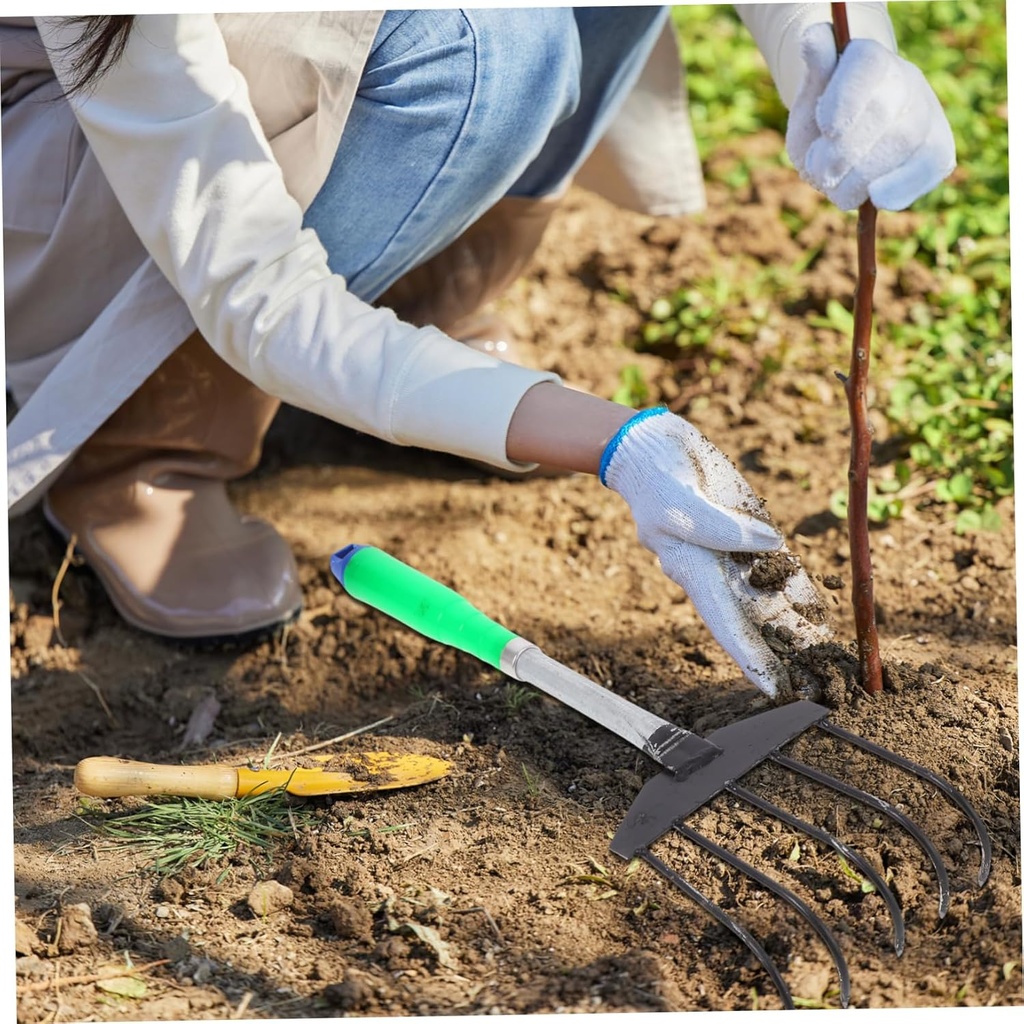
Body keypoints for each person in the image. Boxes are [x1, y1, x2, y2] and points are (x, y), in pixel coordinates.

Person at [3, 6, 954, 699]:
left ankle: (412, 304)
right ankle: (148, 435)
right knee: (493, 44)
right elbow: (261, 292)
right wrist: (619, 443)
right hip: (98, 121)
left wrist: (832, 45)